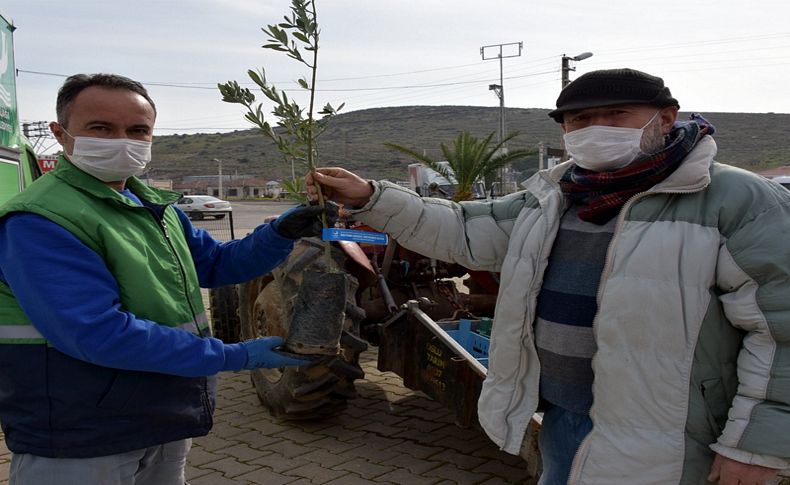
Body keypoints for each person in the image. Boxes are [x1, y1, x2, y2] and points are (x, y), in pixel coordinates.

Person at [306, 68, 790, 484]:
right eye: (580, 119)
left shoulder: (735, 199)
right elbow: (464, 231)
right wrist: (370, 195)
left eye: (616, 115)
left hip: (673, 438)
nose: (595, 128)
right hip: (563, 416)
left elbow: (779, 332)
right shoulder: (555, 194)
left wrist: (754, 445)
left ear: (665, 117)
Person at [0, 73, 335, 484]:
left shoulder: (152, 205)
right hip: (83, 432)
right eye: (101, 128)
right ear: (61, 133)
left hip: (162, 412)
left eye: (138, 130)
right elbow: (98, 333)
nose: (123, 140)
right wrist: (236, 356)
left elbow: (215, 265)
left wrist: (278, 234)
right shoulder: (41, 220)